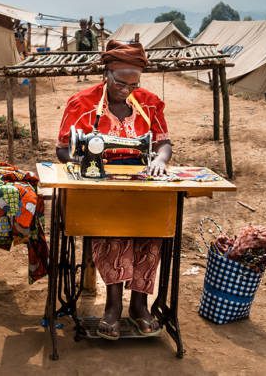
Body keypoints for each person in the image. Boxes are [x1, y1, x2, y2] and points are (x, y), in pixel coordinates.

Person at [56, 40, 172, 340]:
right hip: (101, 186)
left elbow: (162, 142)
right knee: (113, 230)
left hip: (141, 182)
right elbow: (62, 148)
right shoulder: (82, 102)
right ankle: (112, 306)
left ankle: (139, 305)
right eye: (121, 83)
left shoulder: (148, 101)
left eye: (134, 84)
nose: (128, 90)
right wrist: (82, 161)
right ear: (106, 73)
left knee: (153, 229)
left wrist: (159, 158)